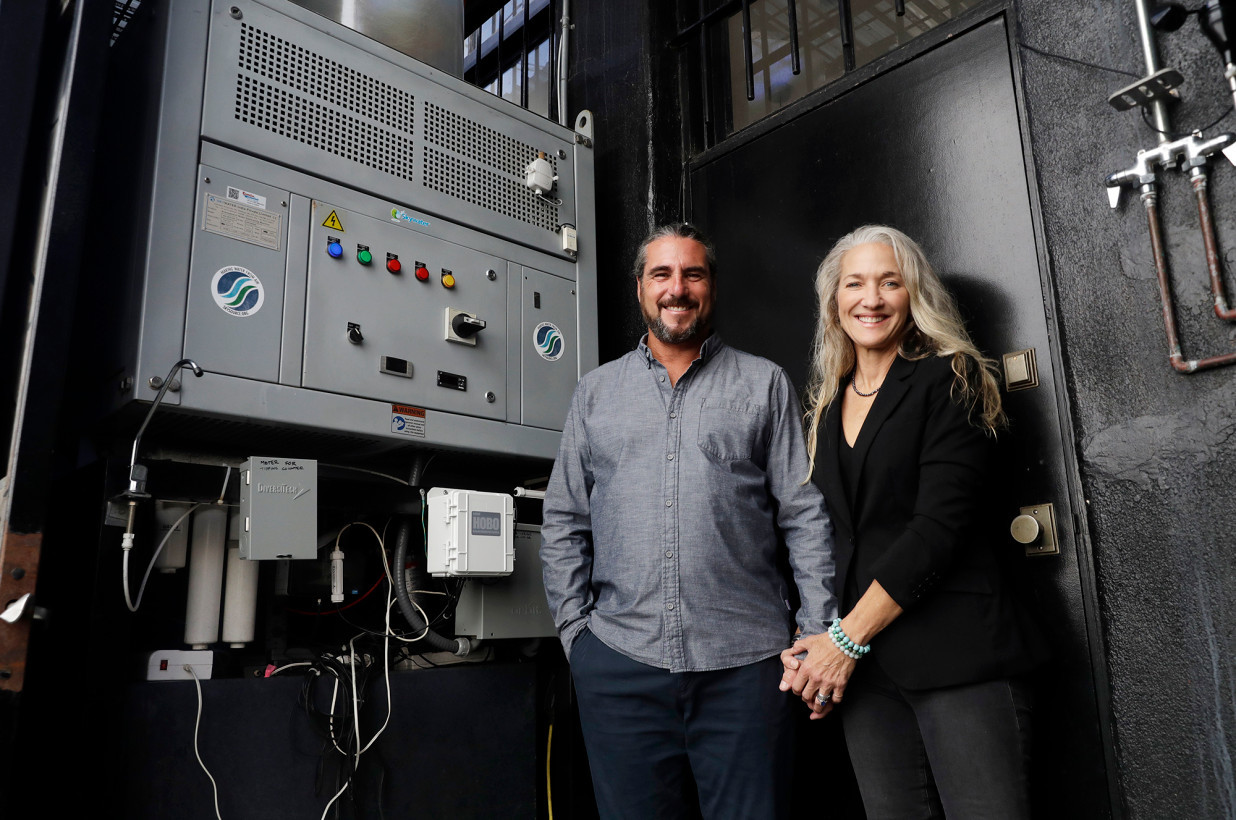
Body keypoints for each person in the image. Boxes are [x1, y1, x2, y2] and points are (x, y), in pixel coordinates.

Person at [541, 223, 838, 820]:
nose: (677, 288)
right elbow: (564, 519)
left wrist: (814, 633)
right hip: (621, 666)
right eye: (662, 274)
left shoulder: (763, 384)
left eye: (692, 274)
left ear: (711, 286)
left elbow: (804, 516)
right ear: (640, 288)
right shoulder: (596, 393)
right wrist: (579, 637)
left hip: (749, 672)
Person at [780, 225, 1046, 818]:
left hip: (959, 655)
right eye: (855, 283)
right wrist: (819, 643)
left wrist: (843, 640)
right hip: (868, 672)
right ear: (834, 301)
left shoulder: (951, 377)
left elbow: (938, 528)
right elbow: (834, 537)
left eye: (889, 282)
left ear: (914, 294)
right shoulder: (827, 403)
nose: (870, 299)